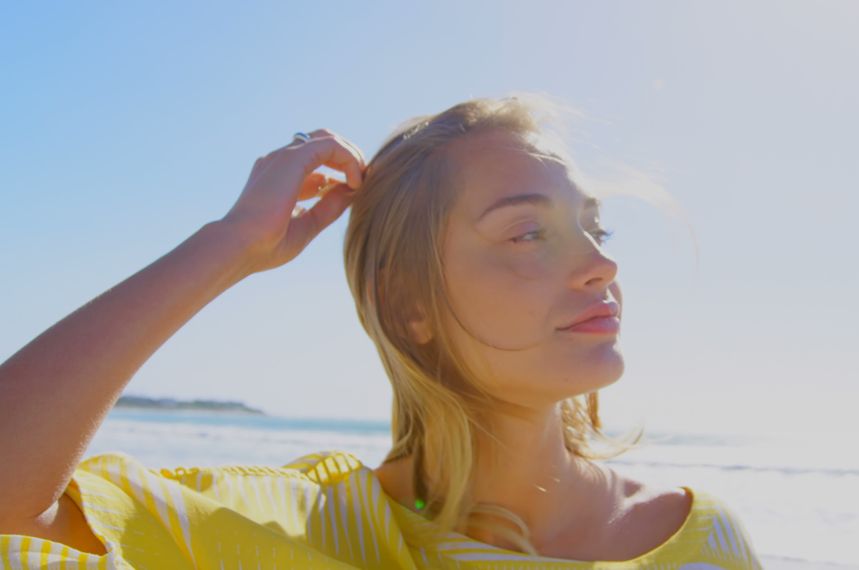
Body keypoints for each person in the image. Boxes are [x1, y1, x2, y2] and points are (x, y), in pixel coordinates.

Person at [0, 94, 764, 569]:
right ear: (409, 308)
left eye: (595, 227)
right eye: (528, 233)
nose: (600, 264)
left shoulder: (699, 539)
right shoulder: (299, 530)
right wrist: (230, 243)